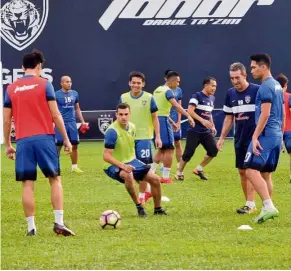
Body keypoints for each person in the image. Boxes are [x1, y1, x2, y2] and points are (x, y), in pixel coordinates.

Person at [3, 50, 75, 236]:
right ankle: (59, 222)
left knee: (27, 184)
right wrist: (66, 138)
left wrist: (8, 144)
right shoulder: (45, 84)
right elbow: (55, 114)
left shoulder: (11, 88)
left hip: (23, 141)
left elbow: (6, 120)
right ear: (39, 66)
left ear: (22, 68)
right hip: (44, 138)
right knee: (54, 179)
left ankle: (31, 228)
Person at [103, 103, 167, 217]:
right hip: (113, 164)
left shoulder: (132, 126)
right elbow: (106, 156)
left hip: (131, 161)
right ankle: (139, 207)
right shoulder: (112, 132)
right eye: (121, 114)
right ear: (116, 115)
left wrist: (136, 163)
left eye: (126, 114)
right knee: (128, 175)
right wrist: (123, 166)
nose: (123, 117)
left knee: (156, 179)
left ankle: (158, 209)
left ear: (130, 114)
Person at [244, 53, 283, 223]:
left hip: (265, 135)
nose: (251, 70)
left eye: (253, 67)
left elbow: (265, 113)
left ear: (264, 67)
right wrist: (280, 136)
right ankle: (266, 209)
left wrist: (254, 136)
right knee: (266, 174)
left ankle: (268, 206)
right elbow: (281, 113)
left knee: (250, 171)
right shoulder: (277, 85)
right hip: (275, 135)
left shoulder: (265, 87)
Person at [217, 63, 259, 214]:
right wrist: (222, 137)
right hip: (239, 138)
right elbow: (229, 117)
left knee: (251, 170)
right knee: (242, 171)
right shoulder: (230, 93)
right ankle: (249, 203)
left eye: (237, 78)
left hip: (254, 138)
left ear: (245, 75)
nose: (235, 81)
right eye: (232, 78)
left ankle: (252, 203)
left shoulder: (256, 91)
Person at [120, 71, 162, 204]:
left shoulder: (149, 98)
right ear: (129, 83)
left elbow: (155, 118)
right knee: (132, 168)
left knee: (143, 169)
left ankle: (143, 195)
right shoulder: (123, 97)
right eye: (134, 82)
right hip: (128, 138)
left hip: (144, 137)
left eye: (139, 83)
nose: (136, 85)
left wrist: (158, 137)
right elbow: (120, 117)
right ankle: (146, 191)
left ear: (143, 84)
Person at [151, 71, 195, 183]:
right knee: (170, 149)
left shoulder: (157, 90)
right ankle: (165, 178)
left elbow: (159, 110)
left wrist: (172, 122)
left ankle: (151, 172)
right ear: (172, 81)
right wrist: (188, 116)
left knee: (162, 149)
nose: (178, 84)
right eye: (178, 81)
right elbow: (176, 106)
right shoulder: (168, 92)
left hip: (158, 120)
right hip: (163, 121)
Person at [176, 77, 218, 181]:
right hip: (194, 130)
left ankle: (199, 169)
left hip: (206, 132)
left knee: (213, 151)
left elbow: (209, 113)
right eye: (212, 85)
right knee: (188, 153)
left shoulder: (212, 98)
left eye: (215, 86)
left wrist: (212, 125)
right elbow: (190, 110)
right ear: (206, 85)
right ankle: (179, 173)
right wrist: (202, 121)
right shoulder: (197, 96)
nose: (214, 88)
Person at [55, 76, 88, 173]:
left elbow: (77, 108)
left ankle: (74, 167)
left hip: (72, 123)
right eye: (67, 82)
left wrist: (82, 121)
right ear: (61, 83)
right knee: (58, 145)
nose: (69, 83)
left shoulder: (75, 93)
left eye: (70, 81)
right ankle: (56, 167)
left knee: (75, 145)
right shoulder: (56, 95)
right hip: (60, 123)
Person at [275, 73, 291, 182]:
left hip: (274, 129)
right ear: (285, 85)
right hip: (289, 129)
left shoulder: (271, 96)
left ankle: (264, 174)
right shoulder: (289, 96)